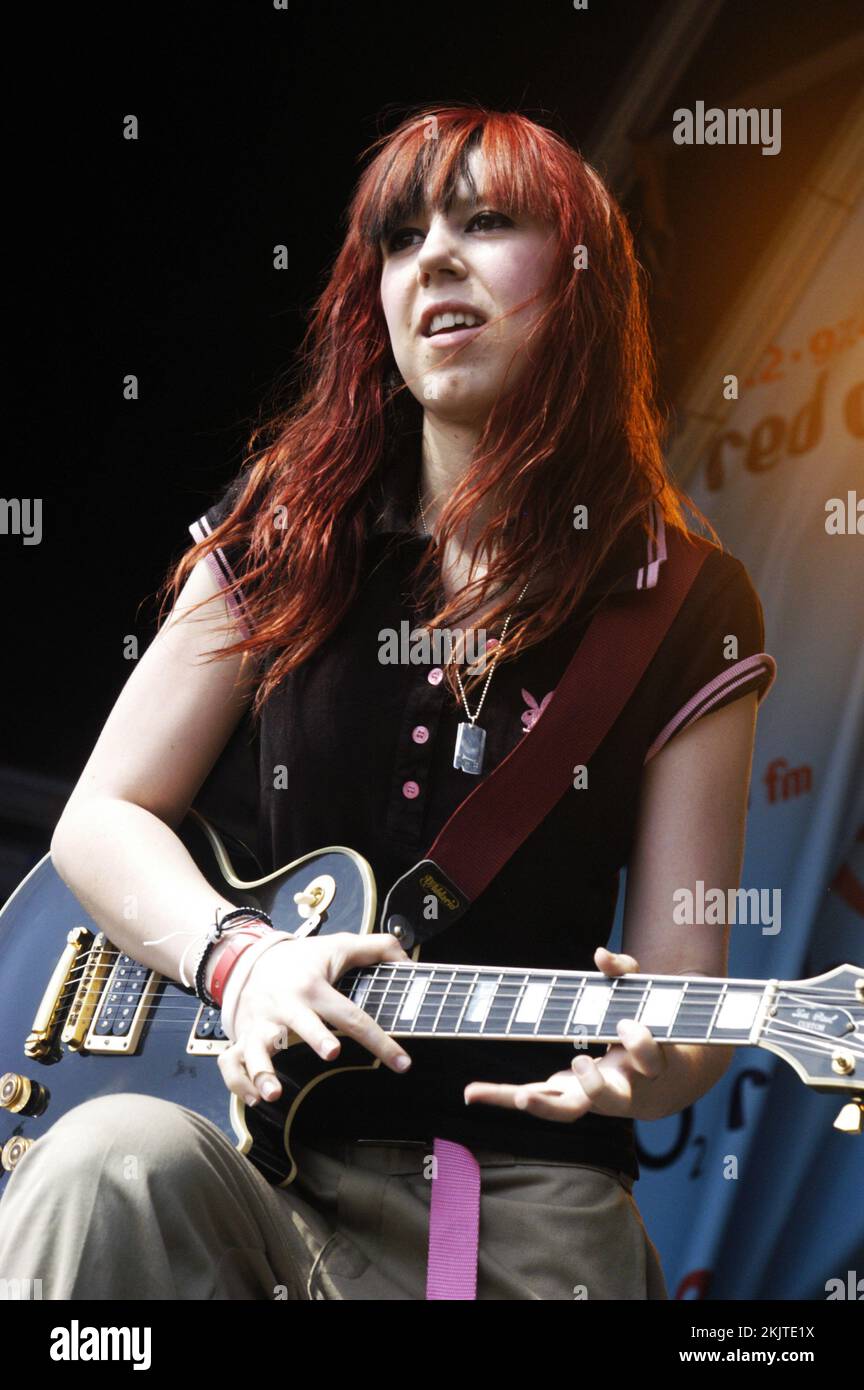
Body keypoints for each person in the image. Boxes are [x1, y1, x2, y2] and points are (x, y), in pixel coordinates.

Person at [0, 104, 776, 1301]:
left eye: (488, 223)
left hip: (517, 1187)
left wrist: (648, 1069)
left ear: (583, 284)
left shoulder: (682, 601)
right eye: (402, 238)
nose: (437, 261)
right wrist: (235, 959)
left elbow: (688, 1002)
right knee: (102, 1166)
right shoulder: (282, 537)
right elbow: (98, 819)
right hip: (244, 1157)